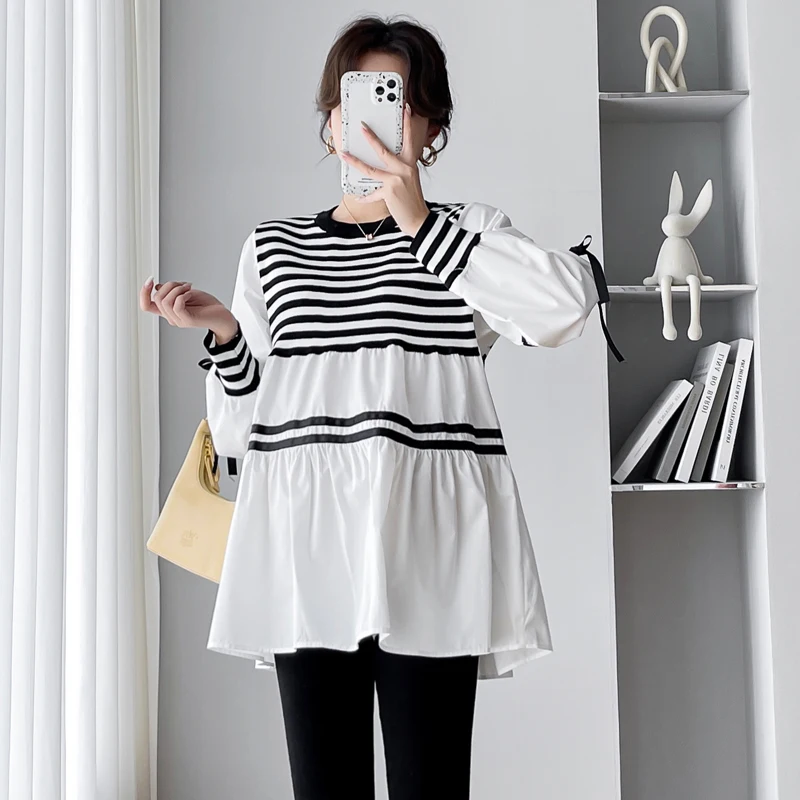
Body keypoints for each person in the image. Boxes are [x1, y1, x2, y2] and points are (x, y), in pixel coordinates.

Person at [140, 14, 609, 800]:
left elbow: (562, 307)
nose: (373, 124)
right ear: (331, 125)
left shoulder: (466, 235)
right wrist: (225, 334)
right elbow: (245, 433)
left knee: (432, 787)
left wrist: (419, 222)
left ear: (431, 129)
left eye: (399, 104)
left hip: (431, 550)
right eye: (354, 103)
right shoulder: (273, 248)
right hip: (304, 548)